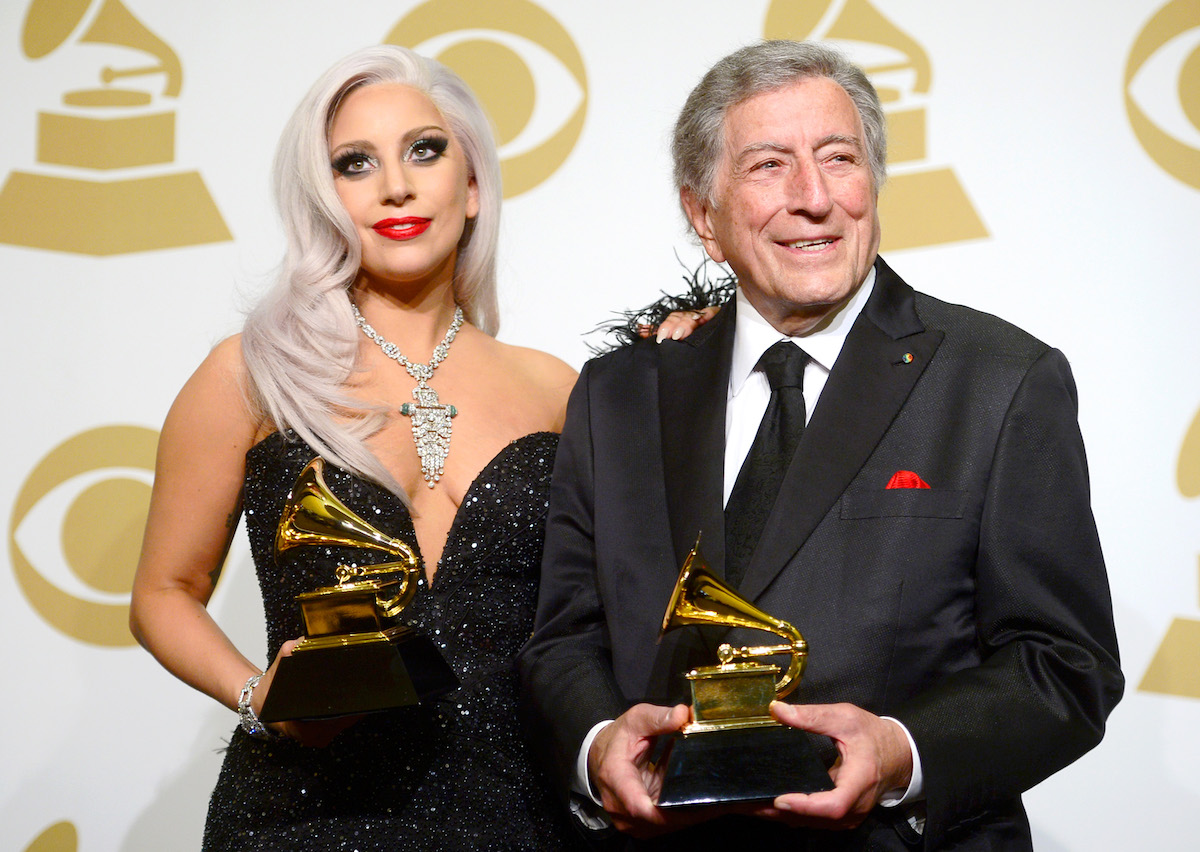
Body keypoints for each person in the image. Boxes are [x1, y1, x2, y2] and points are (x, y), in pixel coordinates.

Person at [520, 40, 1124, 850]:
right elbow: (563, 638)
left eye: (838, 158)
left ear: (871, 180)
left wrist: (902, 751)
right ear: (704, 216)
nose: (814, 198)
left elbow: (1064, 664)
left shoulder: (1002, 382)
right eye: (770, 165)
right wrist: (598, 752)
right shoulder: (618, 395)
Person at [127, 44, 711, 851]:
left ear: (472, 187)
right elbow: (164, 591)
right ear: (322, 197)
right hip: (303, 816)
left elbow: (638, 588)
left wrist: (702, 354)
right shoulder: (251, 373)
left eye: (424, 151)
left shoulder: (557, 388)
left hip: (520, 816)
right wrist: (261, 699)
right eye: (354, 164)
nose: (395, 185)